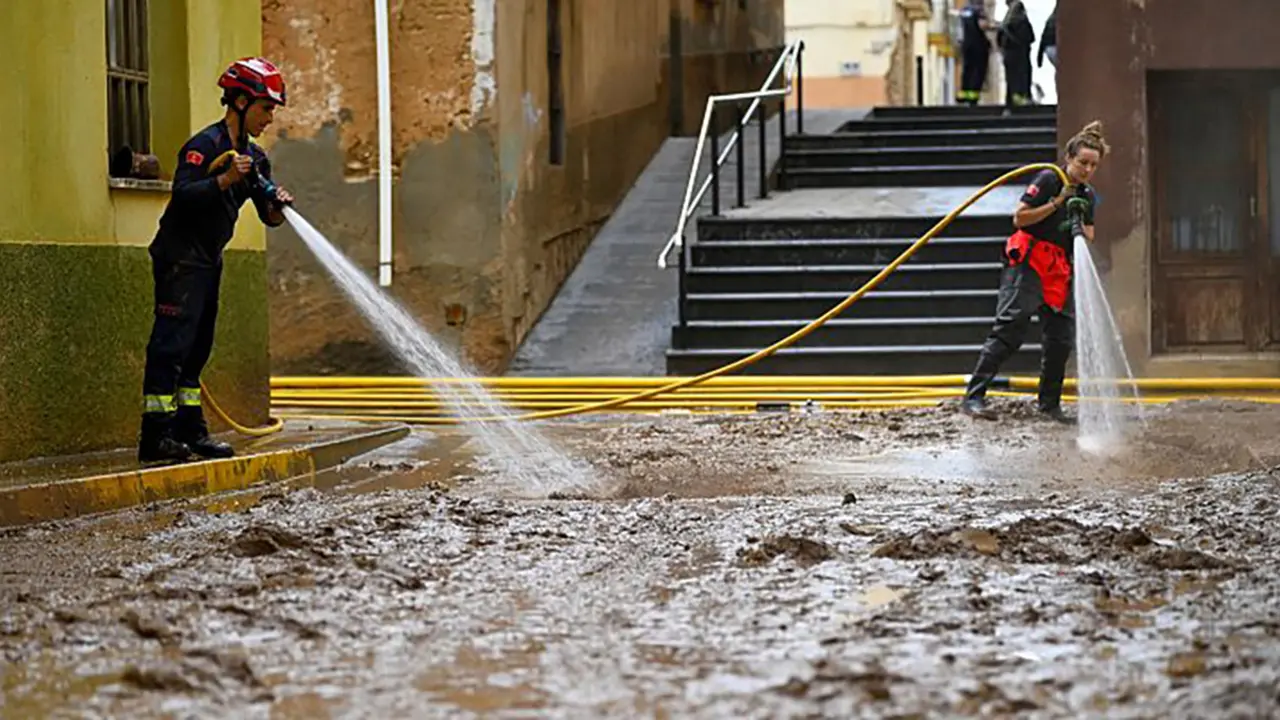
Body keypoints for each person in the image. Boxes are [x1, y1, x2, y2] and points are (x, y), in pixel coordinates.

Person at [138, 58, 294, 463]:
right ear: (240, 102)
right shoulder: (203, 147)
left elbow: (268, 216)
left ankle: (190, 432)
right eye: (265, 108)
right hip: (179, 258)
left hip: (209, 259)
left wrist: (279, 207)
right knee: (170, 346)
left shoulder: (255, 159)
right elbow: (183, 196)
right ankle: (155, 437)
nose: (270, 118)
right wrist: (224, 179)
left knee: (197, 348)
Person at [960, 121, 1110, 423]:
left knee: (1060, 338)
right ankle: (974, 397)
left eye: (1093, 165)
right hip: (1029, 262)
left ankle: (1049, 405)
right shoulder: (1049, 179)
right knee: (1011, 327)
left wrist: (1078, 222)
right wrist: (1057, 203)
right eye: (1083, 162)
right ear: (1069, 158)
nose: (1087, 170)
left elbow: (1090, 235)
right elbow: (1020, 218)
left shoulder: (1088, 195)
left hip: (1059, 267)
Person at [997, 1, 1036, 106]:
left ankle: (1010, 101)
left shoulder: (1005, 24)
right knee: (1022, 77)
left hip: (1008, 54)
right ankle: (1022, 100)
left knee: (1010, 78)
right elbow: (1031, 37)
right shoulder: (1023, 20)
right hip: (1021, 53)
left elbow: (999, 40)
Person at [958, 0, 992, 106]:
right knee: (978, 71)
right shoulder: (979, 10)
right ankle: (973, 98)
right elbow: (983, 25)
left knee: (967, 69)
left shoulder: (965, 10)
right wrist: (993, 26)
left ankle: (964, 95)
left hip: (966, 44)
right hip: (978, 45)